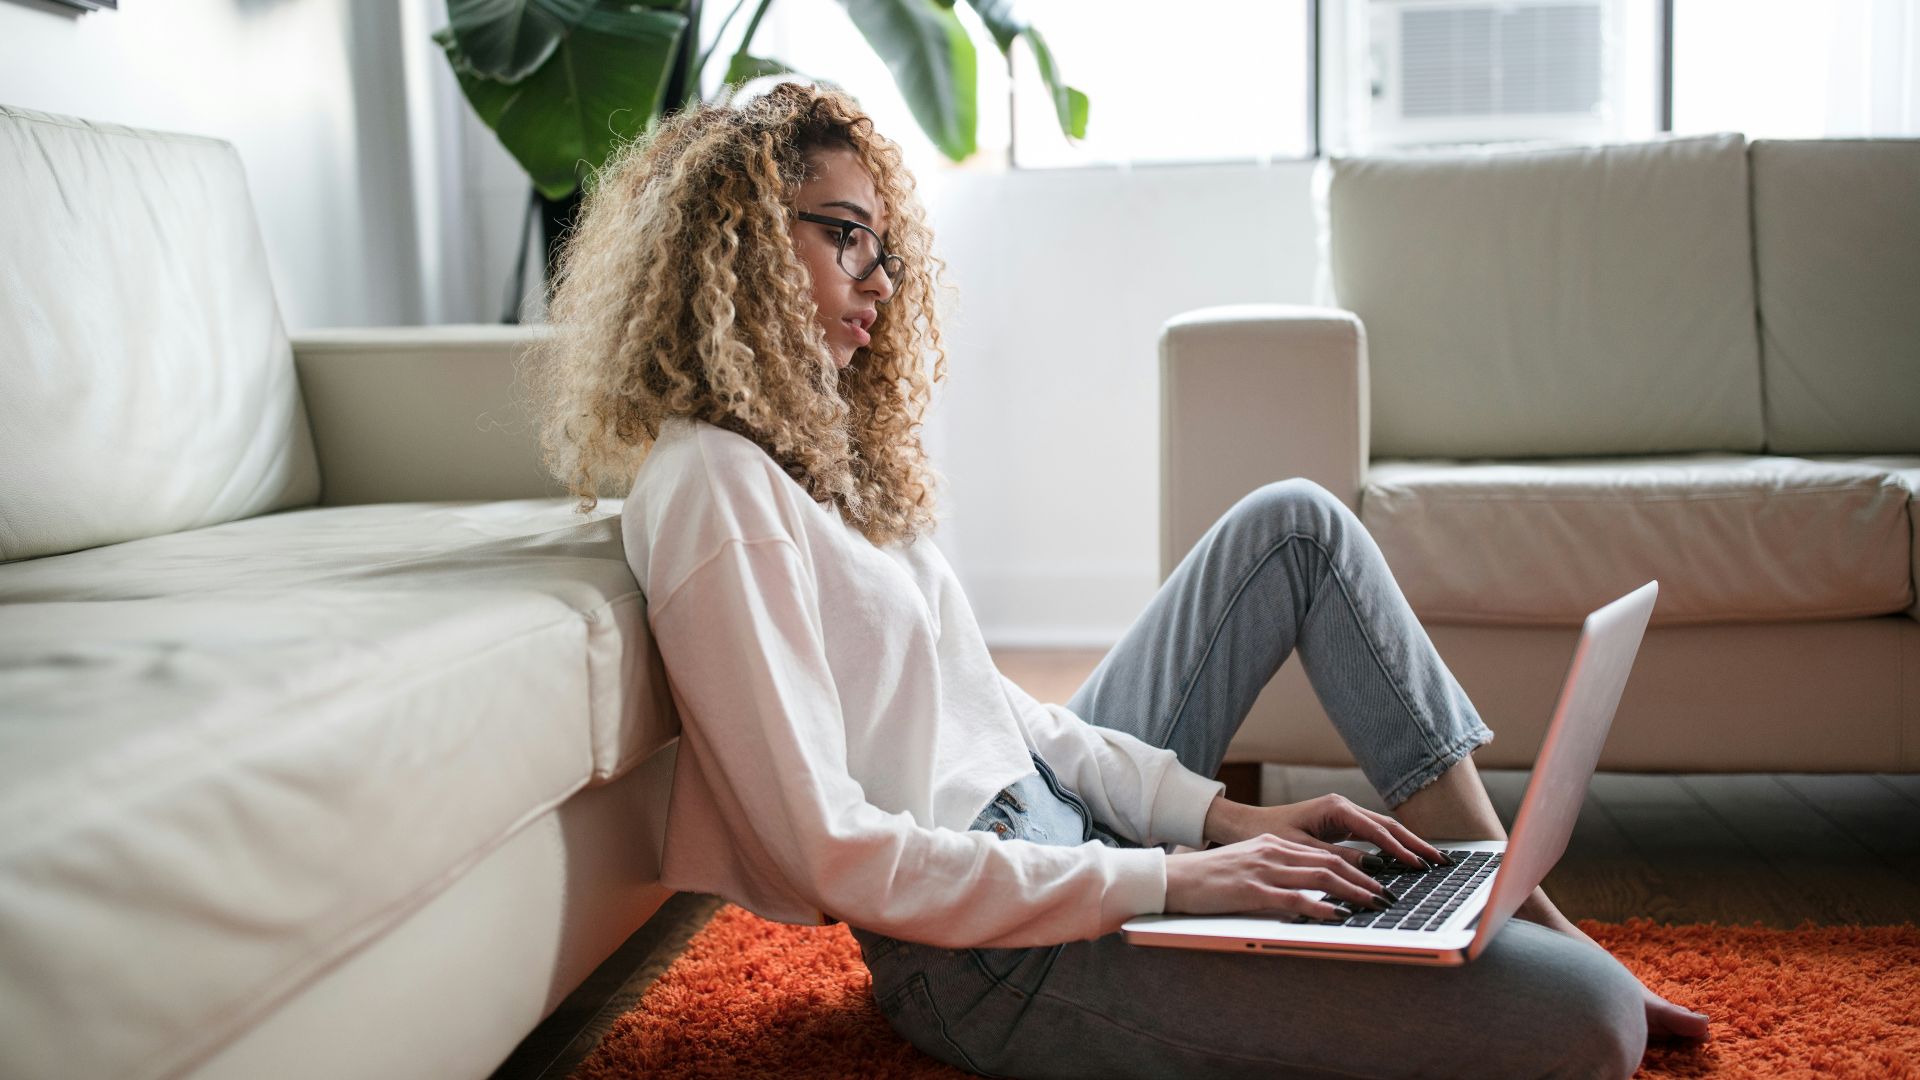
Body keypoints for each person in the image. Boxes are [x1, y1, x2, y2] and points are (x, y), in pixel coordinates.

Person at [523, 79, 1709, 1079]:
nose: (879, 281)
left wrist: (1220, 821)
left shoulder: (819, 464)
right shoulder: (713, 490)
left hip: (1061, 836)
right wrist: (1168, 882)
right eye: (843, 235)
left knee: (1295, 526)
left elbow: (1007, 718)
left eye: (883, 245)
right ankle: (1515, 940)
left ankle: (1513, 896)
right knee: (1587, 1026)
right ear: (733, 246)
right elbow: (832, 852)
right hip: (987, 956)